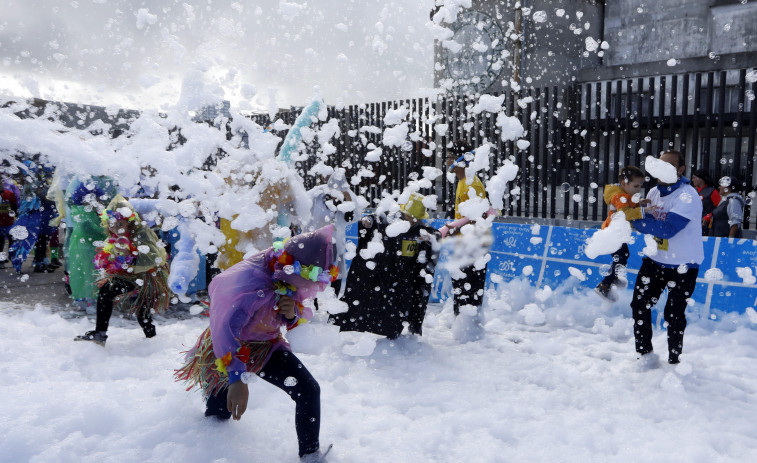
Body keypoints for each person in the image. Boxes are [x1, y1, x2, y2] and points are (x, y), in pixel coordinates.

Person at [175, 225, 337, 463]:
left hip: (267, 346)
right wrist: (236, 378)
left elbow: (294, 308)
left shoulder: (289, 269)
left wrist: (291, 313)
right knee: (219, 416)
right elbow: (224, 328)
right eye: (305, 279)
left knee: (309, 390)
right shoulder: (247, 281)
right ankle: (208, 454)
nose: (305, 286)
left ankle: (311, 456)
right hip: (228, 349)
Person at [329, 193, 441, 338]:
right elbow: (375, 219)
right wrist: (367, 221)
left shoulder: (422, 230)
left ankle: (400, 334)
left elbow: (436, 238)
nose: (412, 221)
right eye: (409, 216)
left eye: (416, 218)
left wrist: (432, 238)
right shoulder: (390, 218)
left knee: (402, 308)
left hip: (404, 280)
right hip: (383, 272)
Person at [629, 150, 703, 366]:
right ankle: (645, 355)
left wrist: (634, 220)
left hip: (683, 266)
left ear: (680, 170)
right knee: (639, 306)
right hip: (654, 261)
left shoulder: (687, 195)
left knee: (674, 315)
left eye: (669, 165)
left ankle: (674, 362)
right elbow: (649, 217)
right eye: (659, 164)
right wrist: (631, 209)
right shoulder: (653, 192)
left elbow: (668, 228)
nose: (662, 169)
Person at [74, 195, 170, 345]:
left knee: (142, 312)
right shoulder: (114, 234)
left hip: (148, 274)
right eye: (111, 224)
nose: (115, 228)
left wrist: (128, 256)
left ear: (129, 222)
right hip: (129, 272)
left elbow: (152, 258)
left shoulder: (141, 233)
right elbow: (113, 254)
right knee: (106, 291)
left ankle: (152, 342)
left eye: (119, 224)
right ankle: (100, 334)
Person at [440, 141, 497, 318]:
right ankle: (462, 330)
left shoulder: (472, 183)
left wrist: (449, 228)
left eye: (450, 157)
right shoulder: (462, 182)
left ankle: (470, 332)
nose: (447, 161)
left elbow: (478, 217)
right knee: (461, 290)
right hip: (464, 243)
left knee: (469, 292)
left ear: (461, 159)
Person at [594, 166, 649, 301]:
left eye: (640, 186)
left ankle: (613, 279)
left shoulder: (623, 195)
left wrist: (640, 203)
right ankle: (605, 285)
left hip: (616, 232)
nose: (638, 190)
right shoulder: (619, 196)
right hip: (613, 233)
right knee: (621, 257)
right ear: (624, 183)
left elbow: (628, 205)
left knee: (622, 256)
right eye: (636, 186)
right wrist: (644, 210)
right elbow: (625, 212)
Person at [690, 169, 721, 236]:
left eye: (694, 178)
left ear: (701, 178)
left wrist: (708, 216)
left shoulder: (712, 191)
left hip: (706, 226)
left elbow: (720, 208)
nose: (692, 180)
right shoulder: (691, 190)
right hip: (692, 225)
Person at [0, 176, 20, 269]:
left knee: (12, 241)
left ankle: (12, 258)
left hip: (9, 223)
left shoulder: (9, 194)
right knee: (0, 243)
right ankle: (1, 261)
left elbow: (14, 207)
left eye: (1, 182)